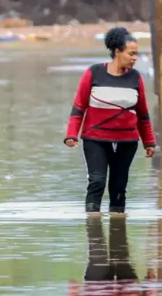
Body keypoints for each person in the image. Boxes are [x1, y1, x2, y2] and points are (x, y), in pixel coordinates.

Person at [65, 27, 156, 214]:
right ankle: (94, 232)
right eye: (131, 53)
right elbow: (79, 107)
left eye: (136, 54)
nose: (135, 58)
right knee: (97, 181)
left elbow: (142, 114)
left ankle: (118, 234)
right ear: (117, 52)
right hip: (95, 139)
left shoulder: (135, 78)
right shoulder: (94, 73)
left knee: (119, 187)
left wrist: (149, 142)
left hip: (127, 142)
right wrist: (71, 135)